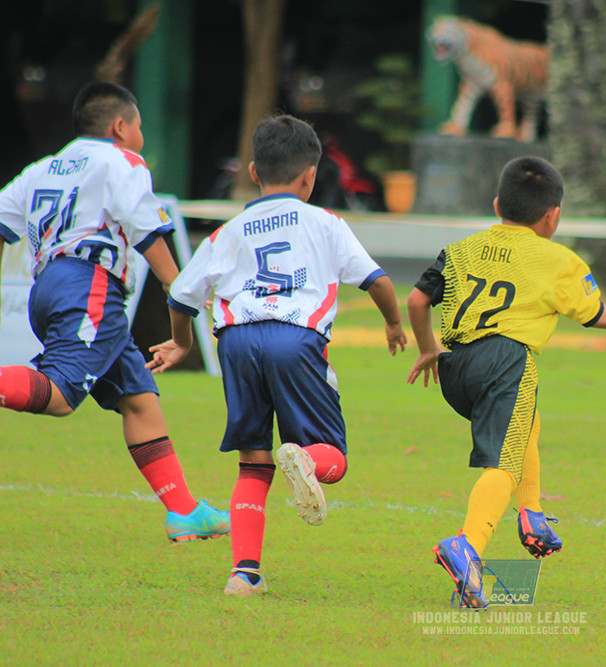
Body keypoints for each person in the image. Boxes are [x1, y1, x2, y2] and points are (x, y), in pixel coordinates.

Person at [146, 114, 407, 596]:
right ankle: (306, 459)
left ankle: (244, 575)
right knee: (333, 458)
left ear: (252, 172)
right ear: (310, 177)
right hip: (295, 340)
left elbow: (180, 297)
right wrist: (393, 323)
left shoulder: (229, 231)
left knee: (253, 462)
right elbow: (377, 280)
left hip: (237, 343)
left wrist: (183, 343)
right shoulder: (325, 222)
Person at [406, 156, 606, 608]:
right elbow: (594, 313)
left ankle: (532, 516)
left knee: (526, 420)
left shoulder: (460, 249)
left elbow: (416, 299)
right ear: (554, 215)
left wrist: (428, 348)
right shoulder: (557, 260)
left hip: (455, 367)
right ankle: (466, 547)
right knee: (503, 466)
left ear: (496, 204)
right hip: (505, 362)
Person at [0, 81, 229, 542]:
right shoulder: (122, 161)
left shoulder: (42, 168)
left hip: (47, 287)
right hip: (89, 286)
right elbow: (145, 229)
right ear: (120, 126)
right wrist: (176, 285)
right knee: (62, 397)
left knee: (138, 398)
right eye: (140, 126)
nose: (141, 136)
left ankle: (183, 511)